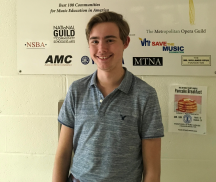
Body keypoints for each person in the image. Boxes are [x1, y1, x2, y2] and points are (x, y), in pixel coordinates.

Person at [52, 11, 164, 182]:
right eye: (95, 41)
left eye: (110, 40)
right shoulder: (77, 90)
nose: (102, 48)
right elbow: (63, 153)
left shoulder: (145, 95)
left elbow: (152, 171)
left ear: (125, 42)